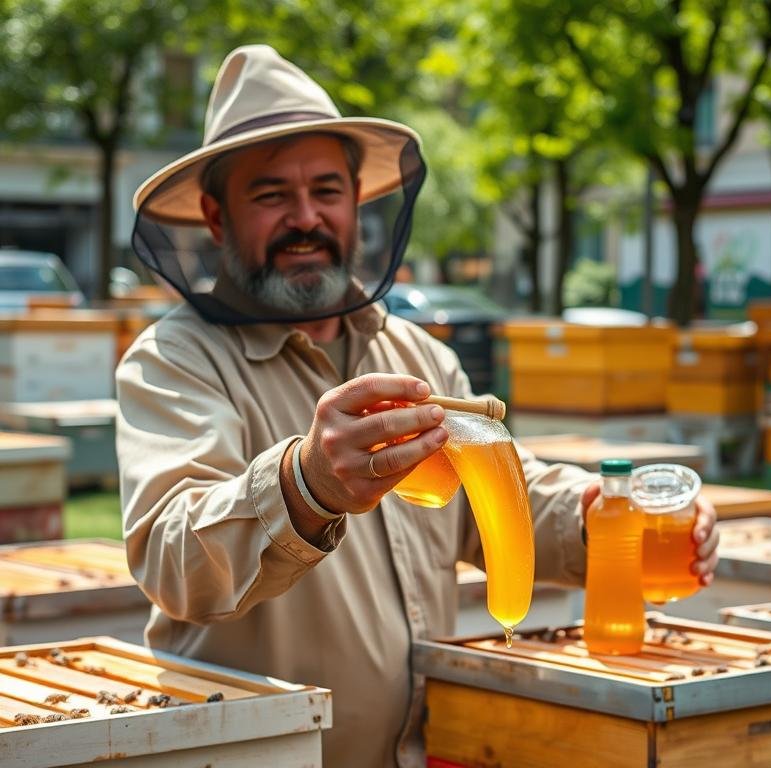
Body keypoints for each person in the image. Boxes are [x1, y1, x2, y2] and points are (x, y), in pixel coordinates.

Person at [117, 45, 719, 768]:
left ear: (358, 202)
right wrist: (304, 484)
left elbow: (499, 495)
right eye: (271, 194)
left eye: (327, 190)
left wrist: (601, 517)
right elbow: (172, 556)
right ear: (216, 217)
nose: (305, 217)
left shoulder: (417, 354)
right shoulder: (174, 360)